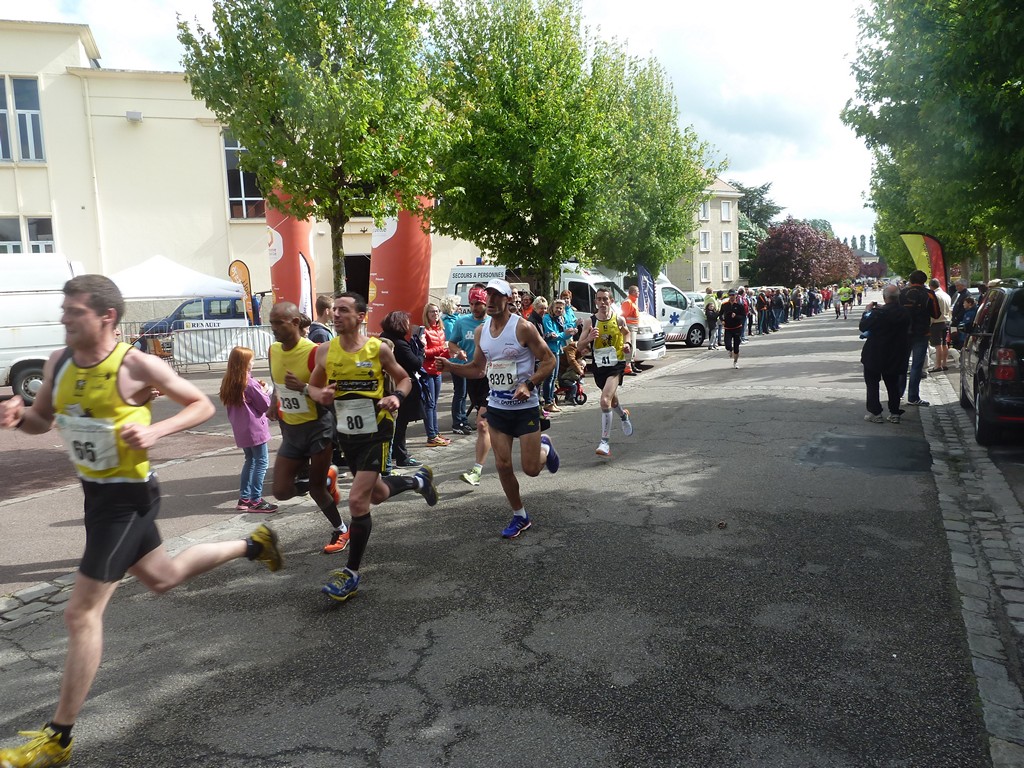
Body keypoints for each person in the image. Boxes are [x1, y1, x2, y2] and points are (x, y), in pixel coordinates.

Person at [0, 275, 282, 768]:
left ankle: (58, 738)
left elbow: (201, 404)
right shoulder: (58, 362)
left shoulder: (135, 365)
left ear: (106, 316)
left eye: (74, 311)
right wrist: (19, 416)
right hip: (96, 498)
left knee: (80, 613)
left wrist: (157, 431)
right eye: (64, 310)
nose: (64, 318)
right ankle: (253, 544)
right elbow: (43, 420)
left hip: (129, 499)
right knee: (162, 577)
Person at [312, 292, 439, 601]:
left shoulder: (377, 349)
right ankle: (417, 481)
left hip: (377, 431)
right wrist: (320, 395)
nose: (336, 314)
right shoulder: (325, 351)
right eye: (335, 310)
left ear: (360, 317)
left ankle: (351, 573)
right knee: (377, 494)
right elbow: (313, 387)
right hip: (348, 435)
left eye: (344, 310)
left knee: (358, 501)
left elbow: (405, 379)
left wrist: (396, 396)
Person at [436, 278, 559, 538]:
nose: (489, 301)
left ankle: (545, 448)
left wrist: (530, 383)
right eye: (487, 296)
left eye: (495, 296)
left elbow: (549, 360)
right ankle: (520, 516)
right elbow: (477, 369)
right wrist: (450, 366)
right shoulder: (481, 332)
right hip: (498, 407)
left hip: (525, 408)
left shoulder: (523, 328)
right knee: (503, 465)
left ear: (508, 299)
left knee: (531, 470)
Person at [267, 302, 348, 554]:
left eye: (278, 323)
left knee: (316, 490)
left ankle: (342, 530)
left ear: (294, 323)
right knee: (281, 491)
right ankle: (328, 477)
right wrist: (273, 402)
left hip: (318, 428)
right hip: (292, 430)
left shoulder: (314, 352)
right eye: (271, 323)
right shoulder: (273, 350)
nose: (273, 328)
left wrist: (303, 387)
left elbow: (330, 394)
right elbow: (277, 382)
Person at [576, 287, 635, 458]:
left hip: (616, 364)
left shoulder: (619, 319)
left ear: (611, 301)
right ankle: (623, 415)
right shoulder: (590, 322)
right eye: (599, 299)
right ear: (595, 301)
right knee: (612, 400)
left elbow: (626, 334)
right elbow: (579, 346)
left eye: (605, 299)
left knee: (604, 400)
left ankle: (604, 442)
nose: (602, 302)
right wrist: (589, 338)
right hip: (599, 366)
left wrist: (627, 345)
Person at [220, 346, 277, 512]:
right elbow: (264, 405)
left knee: (250, 460)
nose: (253, 363)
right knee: (261, 462)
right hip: (255, 429)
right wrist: (265, 391)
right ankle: (255, 500)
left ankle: (244, 498)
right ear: (244, 363)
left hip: (241, 429)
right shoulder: (249, 383)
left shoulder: (229, 381)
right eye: (251, 360)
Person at [447, 285, 492, 486]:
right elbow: (452, 343)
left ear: (485, 303)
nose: (474, 307)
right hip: (472, 375)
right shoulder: (461, 322)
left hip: (491, 378)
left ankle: (476, 470)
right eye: (471, 303)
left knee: (482, 423)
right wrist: (458, 352)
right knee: (489, 426)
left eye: (478, 304)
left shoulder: (493, 322)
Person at [379, 310, 424, 471]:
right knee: (400, 424)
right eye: (407, 322)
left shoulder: (383, 338)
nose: (409, 326)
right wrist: (421, 349)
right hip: (398, 388)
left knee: (395, 425)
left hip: (388, 388)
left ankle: (394, 455)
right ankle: (400, 457)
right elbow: (416, 363)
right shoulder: (399, 344)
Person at [860, 285, 911, 423]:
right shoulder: (904, 312)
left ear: (884, 297)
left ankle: (875, 412)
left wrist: (867, 312)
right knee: (892, 384)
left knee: (872, 383)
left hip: (875, 352)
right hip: (896, 352)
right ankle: (895, 412)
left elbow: (863, 326)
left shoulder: (878, 313)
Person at [899, 270, 940, 407]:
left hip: (903, 332)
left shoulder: (902, 293)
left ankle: (897, 394)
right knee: (917, 366)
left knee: (902, 364)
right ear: (924, 281)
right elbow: (936, 313)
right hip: (922, 332)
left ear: (910, 280)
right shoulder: (929, 294)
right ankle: (913, 397)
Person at [420, 303, 451, 447]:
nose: (435, 314)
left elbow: (442, 352)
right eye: (432, 312)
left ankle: (435, 433)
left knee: (434, 404)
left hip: (437, 370)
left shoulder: (441, 330)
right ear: (427, 314)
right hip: (427, 371)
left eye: (437, 311)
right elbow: (425, 353)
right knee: (430, 404)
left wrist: (449, 351)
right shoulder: (425, 331)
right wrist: (441, 349)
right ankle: (431, 436)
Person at [440, 294, 471, 435]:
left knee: (463, 393)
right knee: (460, 392)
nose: (460, 307)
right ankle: (457, 422)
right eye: (457, 305)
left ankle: (463, 419)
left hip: (464, 360)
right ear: (451, 306)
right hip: (456, 361)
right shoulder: (448, 322)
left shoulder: (458, 319)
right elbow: (452, 342)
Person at [542, 298, 574, 412]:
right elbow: (552, 335)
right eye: (557, 308)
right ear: (552, 308)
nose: (559, 310)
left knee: (554, 377)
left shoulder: (560, 319)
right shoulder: (547, 318)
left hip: (557, 350)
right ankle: (548, 402)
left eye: (561, 308)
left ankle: (552, 401)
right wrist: (564, 334)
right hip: (550, 350)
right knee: (549, 377)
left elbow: (561, 335)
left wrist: (570, 332)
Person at [928, 278, 952, 373]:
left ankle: (938, 365)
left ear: (931, 286)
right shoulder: (946, 295)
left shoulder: (935, 296)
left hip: (937, 321)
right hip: (946, 321)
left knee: (938, 345)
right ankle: (944, 364)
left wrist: (930, 322)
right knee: (944, 344)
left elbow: (933, 310)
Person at [720, 289, 747, 369]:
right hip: (728, 328)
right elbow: (720, 314)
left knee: (736, 346)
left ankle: (735, 362)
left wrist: (736, 316)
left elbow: (743, 316)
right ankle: (729, 349)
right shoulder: (724, 305)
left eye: (733, 295)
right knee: (727, 345)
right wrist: (722, 320)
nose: (731, 297)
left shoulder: (739, 305)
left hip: (737, 328)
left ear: (736, 296)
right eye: (730, 295)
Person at [621, 285, 642, 373]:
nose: (639, 293)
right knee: (630, 346)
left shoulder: (632, 301)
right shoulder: (628, 302)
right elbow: (623, 316)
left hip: (633, 327)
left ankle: (631, 365)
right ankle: (628, 367)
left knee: (633, 347)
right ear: (633, 292)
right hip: (629, 327)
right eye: (637, 291)